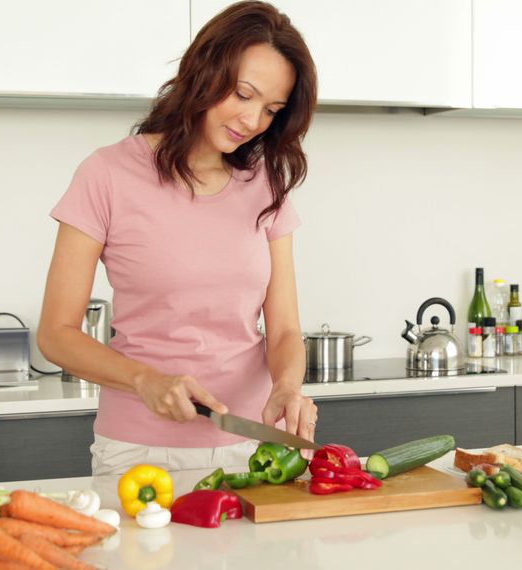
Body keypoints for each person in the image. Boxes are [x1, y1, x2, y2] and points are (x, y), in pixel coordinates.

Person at [37, 1, 319, 476]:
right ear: (205, 72)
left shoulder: (265, 182)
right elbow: (55, 334)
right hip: (139, 452)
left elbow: (286, 329)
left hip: (253, 449)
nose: (252, 121)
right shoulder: (107, 174)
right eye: (243, 95)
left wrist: (287, 386)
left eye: (271, 110)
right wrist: (144, 380)